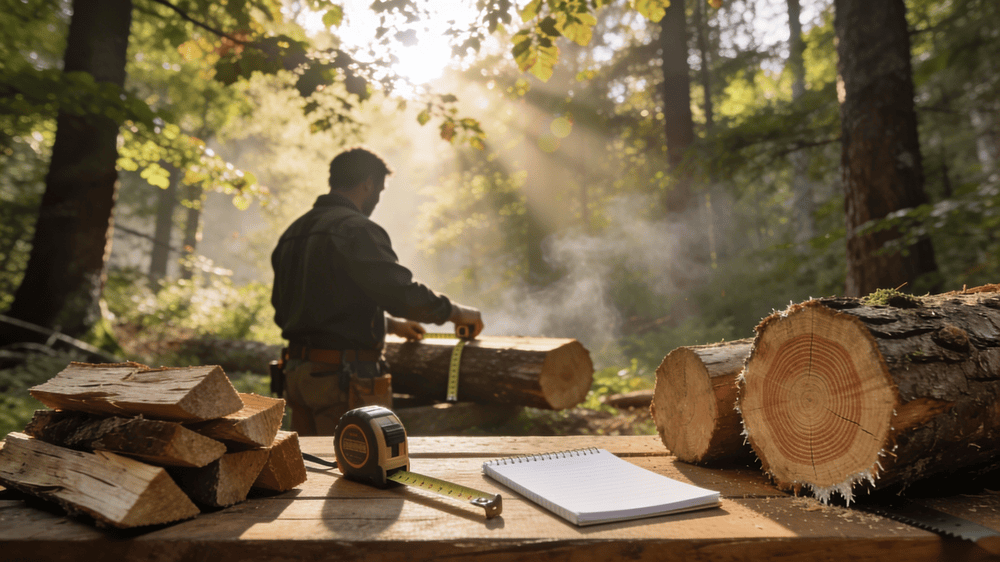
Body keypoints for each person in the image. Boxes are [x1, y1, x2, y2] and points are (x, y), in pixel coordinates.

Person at [271, 147, 484, 436]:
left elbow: (302, 308)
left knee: (314, 471)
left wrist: (389, 325)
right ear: (368, 183)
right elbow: (401, 294)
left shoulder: (293, 232)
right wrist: (457, 313)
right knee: (362, 472)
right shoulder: (356, 229)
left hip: (298, 376)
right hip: (341, 381)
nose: (377, 199)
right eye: (380, 190)